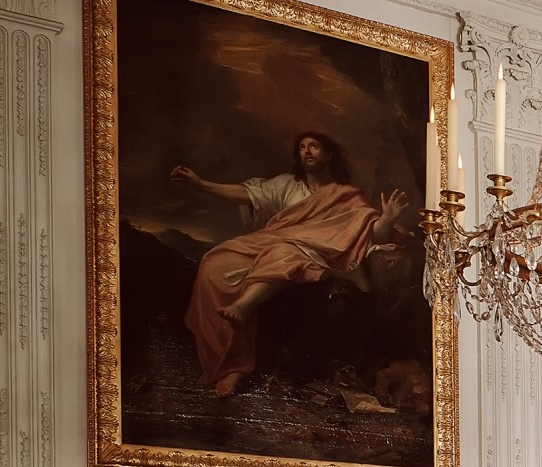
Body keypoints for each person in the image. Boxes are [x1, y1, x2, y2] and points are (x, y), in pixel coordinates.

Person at [172, 132, 410, 396]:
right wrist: (200, 184)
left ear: (328, 154)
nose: (307, 151)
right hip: (271, 242)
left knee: (286, 252)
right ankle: (227, 364)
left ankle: (241, 312)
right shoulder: (287, 185)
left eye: (315, 146)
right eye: (303, 147)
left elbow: (371, 231)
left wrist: (388, 218)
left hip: (316, 254)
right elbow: (246, 194)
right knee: (214, 263)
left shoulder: (347, 197)